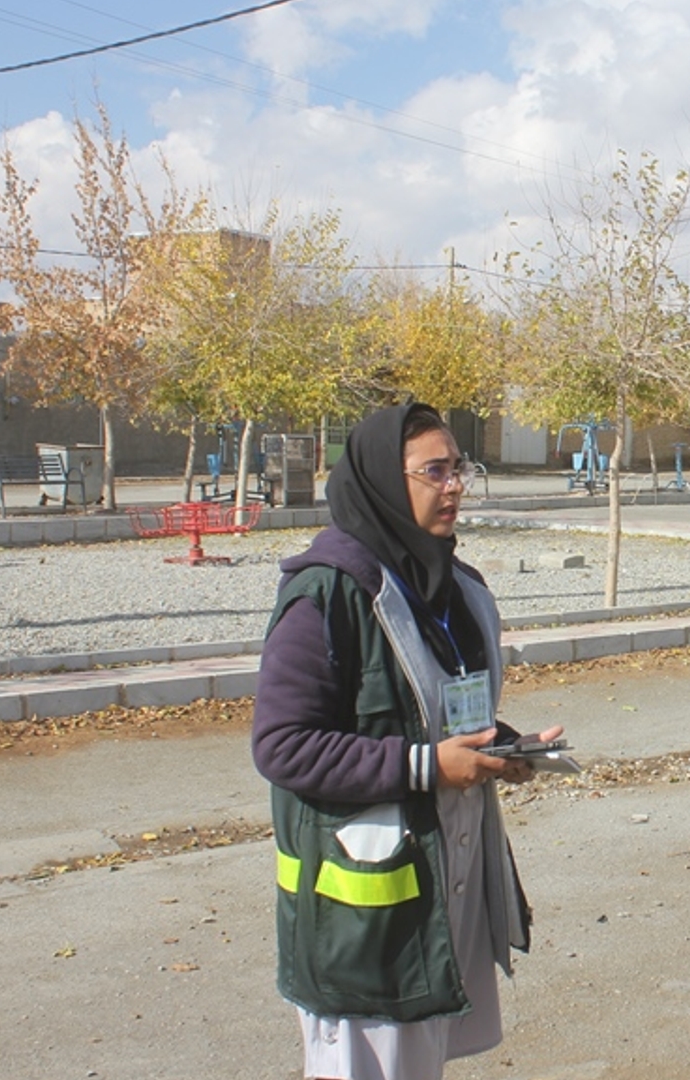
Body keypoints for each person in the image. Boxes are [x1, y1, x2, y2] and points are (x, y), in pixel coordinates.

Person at [252, 402, 562, 1080]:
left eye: (461, 470)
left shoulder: (452, 589)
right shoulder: (327, 594)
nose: (454, 486)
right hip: (360, 925)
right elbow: (282, 745)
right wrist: (428, 768)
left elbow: (431, 712)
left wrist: (500, 749)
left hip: (436, 900)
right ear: (384, 484)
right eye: (434, 471)